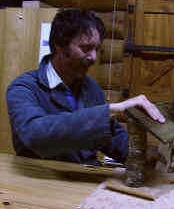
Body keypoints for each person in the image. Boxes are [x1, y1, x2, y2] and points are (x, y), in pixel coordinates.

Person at [6, 9, 165, 166]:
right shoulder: (24, 88)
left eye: (97, 49)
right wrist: (116, 108)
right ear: (59, 45)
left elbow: (111, 136)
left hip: (83, 178)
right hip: (43, 180)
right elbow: (36, 135)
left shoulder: (90, 88)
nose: (94, 57)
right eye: (86, 48)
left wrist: (141, 155)